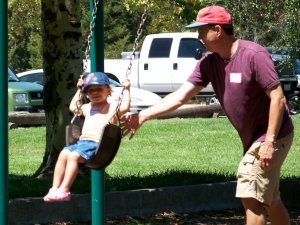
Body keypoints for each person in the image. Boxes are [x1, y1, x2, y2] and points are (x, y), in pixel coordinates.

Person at [122, 5, 294, 225]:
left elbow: (277, 98)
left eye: (202, 31)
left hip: (274, 133)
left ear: (218, 30)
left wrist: (269, 142)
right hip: (254, 137)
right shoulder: (209, 62)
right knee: (270, 198)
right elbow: (180, 96)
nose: (198, 36)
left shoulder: (253, 55)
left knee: (250, 193)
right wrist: (143, 116)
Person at [44, 72, 130, 202]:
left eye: (99, 89)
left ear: (108, 89)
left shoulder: (112, 106)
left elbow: (124, 107)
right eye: (90, 91)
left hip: (98, 144)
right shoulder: (87, 107)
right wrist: (79, 90)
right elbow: (73, 107)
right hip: (82, 142)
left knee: (73, 156)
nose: (94, 93)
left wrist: (127, 90)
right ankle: (54, 188)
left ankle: (65, 190)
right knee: (63, 153)